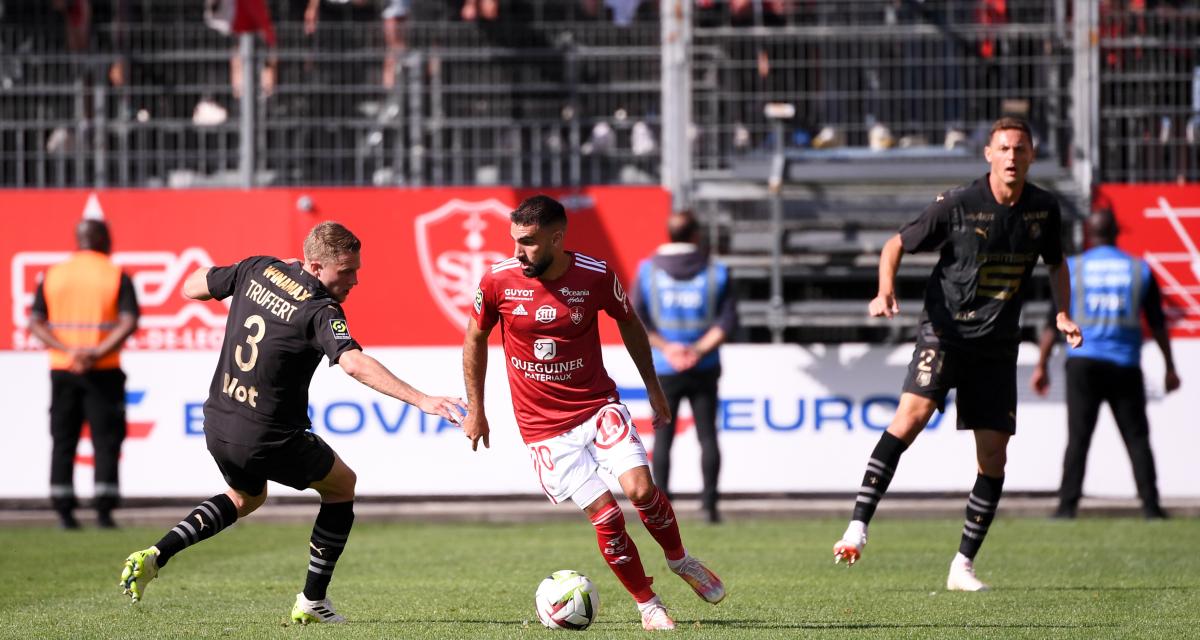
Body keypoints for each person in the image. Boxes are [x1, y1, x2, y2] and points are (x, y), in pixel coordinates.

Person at [117, 222, 466, 624]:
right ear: (316, 267)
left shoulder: (257, 268)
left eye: (356, 269)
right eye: (346, 271)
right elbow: (352, 363)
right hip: (269, 435)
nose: (355, 279)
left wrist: (263, 272)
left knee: (245, 498)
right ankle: (313, 600)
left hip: (218, 423)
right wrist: (422, 399)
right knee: (342, 486)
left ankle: (157, 554)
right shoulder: (321, 310)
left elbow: (192, 286)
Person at [830, 116, 1083, 591]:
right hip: (945, 334)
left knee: (993, 458)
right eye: (1004, 148)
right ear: (988, 154)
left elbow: (1056, 264)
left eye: (1020, 149)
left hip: (997, 345)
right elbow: (895, 244)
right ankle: (857, 526)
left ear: (1031, 156)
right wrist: (885, 290)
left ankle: (962, 566)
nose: (1012, 156)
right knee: (911, 416)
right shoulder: (960, 203)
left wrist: (1063, 313)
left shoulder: (1043, 209)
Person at [461, 195, 726, 631]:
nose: (517, 252)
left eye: (527, 242)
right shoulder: (497, 282)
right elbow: (474, 339)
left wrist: (654, 389)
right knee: (607, 516)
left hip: (598, 407)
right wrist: (477, 409)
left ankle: (680, 560)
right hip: (544, 430)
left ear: (556, 238)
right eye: (514, 241)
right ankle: (648, 604)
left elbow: (630, 324)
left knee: (641, 491)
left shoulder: (595, 274)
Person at [1031, 210, 1181, 520]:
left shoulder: (1073, 268)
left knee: (1078, 438)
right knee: (1137, 437)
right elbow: (1157, 323)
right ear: (1116, 233)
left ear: (1089, 233)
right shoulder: (1138, 269)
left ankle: (1066, 507)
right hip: (1125, 363)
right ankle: (1151, 507)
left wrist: (1041, 365)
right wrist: (1169, 366)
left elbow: (1051, 323)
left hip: (1083, 362)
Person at [29, 219, 139, 530]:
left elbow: (36, 322)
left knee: (63, 439)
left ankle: (63, 511)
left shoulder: (54, 275)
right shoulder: (115, 274)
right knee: (106, 440)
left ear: (79, 239)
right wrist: (96, 352)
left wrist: (68, 351)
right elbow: (129, 321)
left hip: (63, 369)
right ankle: (104, 512)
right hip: (103, 370)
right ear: (103, 238)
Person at [631, 210, 736, 524]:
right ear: (696, 236)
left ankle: (660, 509)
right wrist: (697, 350)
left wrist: (670, 349)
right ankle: (709, 506)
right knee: (707, 437)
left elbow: (636, 320)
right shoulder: (717, 271)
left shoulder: (648, 271)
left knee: (663, 439)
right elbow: (727, 321)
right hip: (704, 365)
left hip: (664, 366)